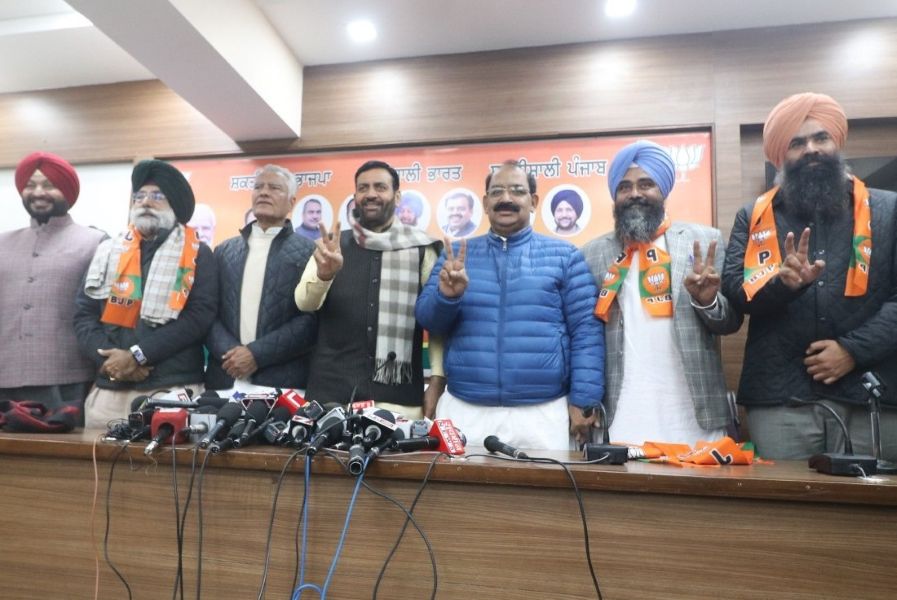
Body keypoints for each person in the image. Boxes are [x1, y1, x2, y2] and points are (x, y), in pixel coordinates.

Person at [722, 92, 897, 461]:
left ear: (837, 143)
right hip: (781, 399)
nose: (811, 149)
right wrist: (781, 285)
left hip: (871, 394)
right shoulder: (754, 216)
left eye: (821, 138)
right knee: (787, 514)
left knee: (870, 515)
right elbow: (737, 291)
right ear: (781, 155)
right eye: (797, 143)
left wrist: (852, 350)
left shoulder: (888, 210)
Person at [416, 160, 604, 450]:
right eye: (497, 192)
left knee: (545, 496)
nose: (506, 199)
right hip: (466, 410)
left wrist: (584, 400)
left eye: (517, 191)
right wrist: (447, 296)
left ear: (533, 202)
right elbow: (429, 321)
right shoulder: (457, 256)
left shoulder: (565, 256)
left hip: (543, 413)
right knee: (456, 495)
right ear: (486, 203)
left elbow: (587, 333)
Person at [582, 140, 741, 447]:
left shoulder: (704, 241)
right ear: (614, 196)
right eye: (624, 187)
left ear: (664, 190)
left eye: (646, 184)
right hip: (623, 408)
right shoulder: (592, 253)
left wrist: (706, 300)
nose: (635, 194)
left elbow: (730, 322)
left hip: (692, 409)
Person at [74, 160, 218, 429]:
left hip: (172, 389)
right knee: (95, 469)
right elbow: (84, 314)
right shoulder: (107, 250)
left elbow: (200, 317)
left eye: (157, 196)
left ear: (175, 205)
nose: (145, 202)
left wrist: (138, 355)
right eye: (139, 196)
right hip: (111, 387)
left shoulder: (198, 253)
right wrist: (110, 361)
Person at [295, 160, 444, 419]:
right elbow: (304, 303)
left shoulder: (422, 248)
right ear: (355, 197)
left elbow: (437, 320)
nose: (371, 193)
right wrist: (324, 274)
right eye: (363, 188)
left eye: (380, 187)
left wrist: (437, 380)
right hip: (331, 398)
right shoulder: (332, 246)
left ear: (397, 196)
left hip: (398, 402)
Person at [0, 152, 106, 421]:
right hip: (4, 377)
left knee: (60, 462)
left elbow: (103, 315)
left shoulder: (95, 242)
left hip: (68, 380)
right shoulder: (2, 243)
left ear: (67, 192)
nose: (38, 192)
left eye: (49, 185)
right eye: (30, 185)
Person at [206, 165, 317, 392]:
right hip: (226, 375)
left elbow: (311, 320)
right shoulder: (224, 251)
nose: (264, 192)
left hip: (283, 382)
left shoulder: (309, 252)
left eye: (274, 188)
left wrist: (256, 354)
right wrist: (233, 356)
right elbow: (208, 312)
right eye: (258, 187)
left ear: (292, 202)